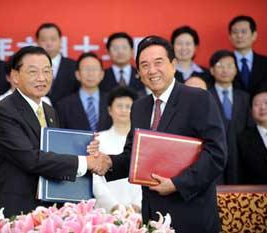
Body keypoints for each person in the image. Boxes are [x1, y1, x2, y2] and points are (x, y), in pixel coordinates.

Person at [96, 36, 227, 233]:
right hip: (152, 215)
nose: (152, 70)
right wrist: (107, 162)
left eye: (158, 63)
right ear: (139, 72)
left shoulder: (198, 98)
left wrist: (177, 184)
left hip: (191, 213)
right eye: (145, 65)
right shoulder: (139, 107)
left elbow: (216, 153)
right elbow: (134, 155)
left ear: (173, 65)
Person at [0, 46, 101, 219]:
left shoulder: (49, 111)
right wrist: (85, 162)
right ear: (15, 76)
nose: (42, 78)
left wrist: (86, 150)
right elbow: (30, 159)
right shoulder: (2, 111)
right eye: (33, 72)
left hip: (46, 209)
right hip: (14, 211)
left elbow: (55, 152)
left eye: (47, 71)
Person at [93, 86, 142, 213]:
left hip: (137, 212)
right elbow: (95, 178)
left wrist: (137, 205)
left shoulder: (142, 141)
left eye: (128, 106)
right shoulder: (98, 139)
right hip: (106, 211)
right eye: (119, 106)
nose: (124, 110)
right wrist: (113, 205)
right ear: (110, 110)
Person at [208, 50, 254, 184]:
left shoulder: (245, 98)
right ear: (211, 70)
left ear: (235, 70)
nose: (225, 70)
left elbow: (250, 128)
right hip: (214, 156)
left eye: (229, 65)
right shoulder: (206, 96)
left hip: (241, 158)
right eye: (220, 65)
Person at [56, 52, 112, 131]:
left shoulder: (111, 101)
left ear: (102, 74)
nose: (90, 74)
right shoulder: (63, 105)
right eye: (86, 69)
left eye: (94, 69)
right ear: (77, 75)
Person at [228, 15, 267, 94]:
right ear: (229, 37)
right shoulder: (222, 64)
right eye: (235, 32)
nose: (239, 36)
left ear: (254, 35)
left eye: (244, 32)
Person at [238, 88, 267, 184]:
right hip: (257, 196)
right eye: (257, 104)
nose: (262, 107)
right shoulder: (242, 140)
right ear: (251, 111)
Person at [36, 22, 79, 105]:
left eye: (53, 39)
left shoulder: (74, 66)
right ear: (37, 42)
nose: (49, 43)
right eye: (44, 40)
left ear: (60, 41)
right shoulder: (31, 67)